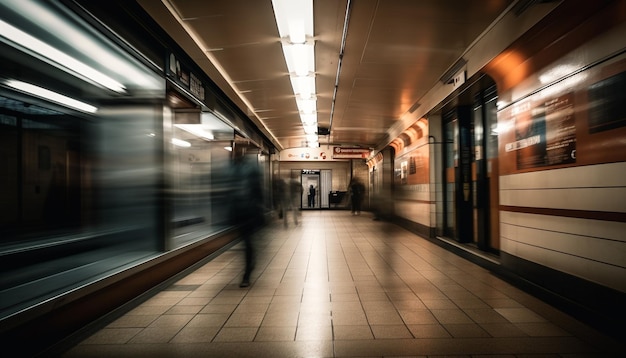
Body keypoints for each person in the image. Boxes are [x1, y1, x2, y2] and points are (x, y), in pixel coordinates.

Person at [229, 149, 264, 287]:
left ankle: (247, 273)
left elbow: (258, 191)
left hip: (249, 212)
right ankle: (248, 266)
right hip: (237, 212)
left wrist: (258, 209)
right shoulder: (231, 170)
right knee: (245, 242)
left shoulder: (251, 170)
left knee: (247, 242)